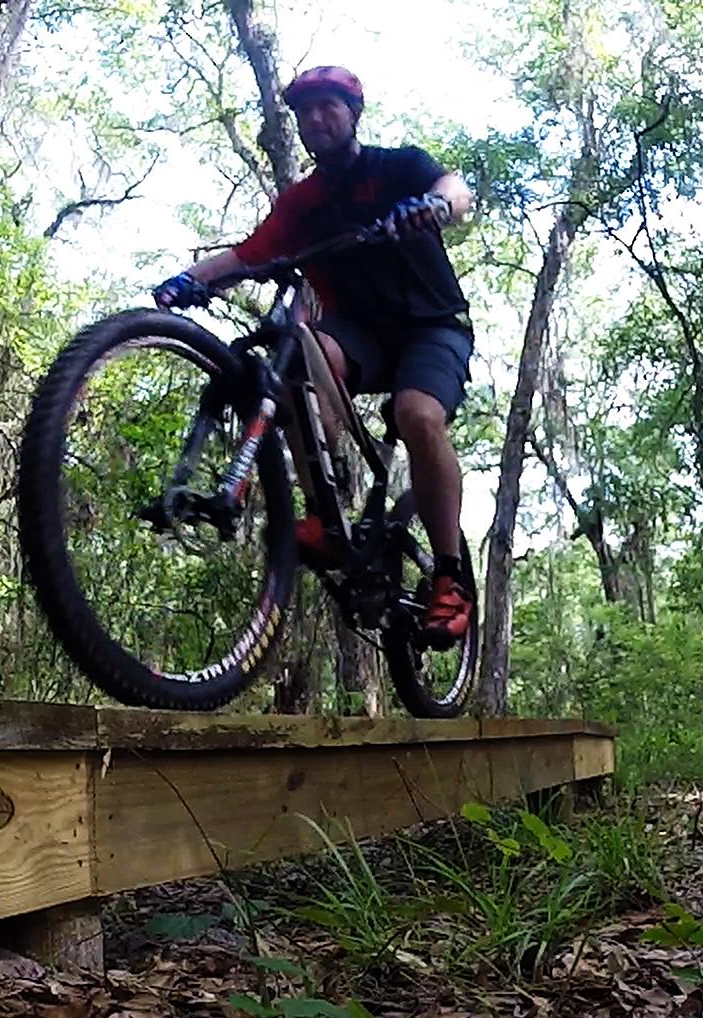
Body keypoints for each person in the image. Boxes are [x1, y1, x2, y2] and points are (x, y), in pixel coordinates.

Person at [152, 65, 477, 645]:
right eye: (305, 112)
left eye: (329, 107)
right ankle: (327, 512)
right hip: (359, 336)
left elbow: (456, 190)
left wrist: (432, 208)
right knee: (300, 353)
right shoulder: (304, 203)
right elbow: (248, 254)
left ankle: (450, 577)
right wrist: (185, 280)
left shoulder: (397, 166)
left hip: (431, 326)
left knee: (417, 415)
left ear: (353, 114)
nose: (316, 119)